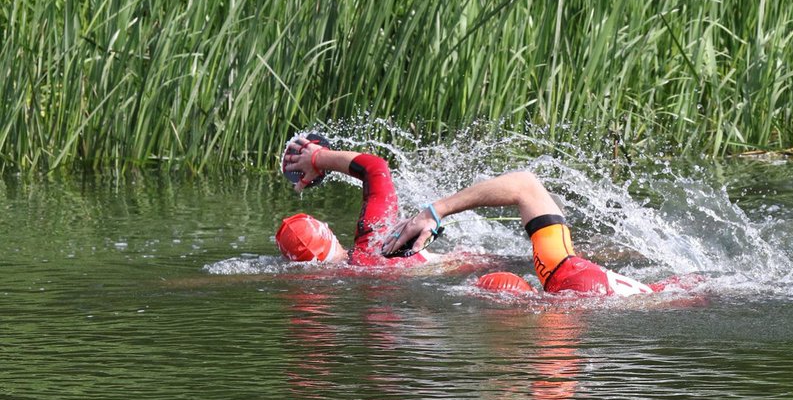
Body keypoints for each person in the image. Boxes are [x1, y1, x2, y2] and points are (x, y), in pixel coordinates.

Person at [278, 135, 656, 296]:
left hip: (510, 271)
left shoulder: (358, 270)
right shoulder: (375, 241)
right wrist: (317, 156)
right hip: (508, 263)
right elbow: (375, 168)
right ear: (327, 233)